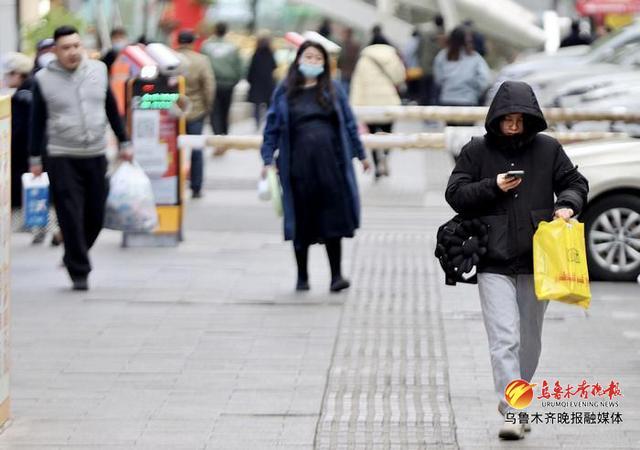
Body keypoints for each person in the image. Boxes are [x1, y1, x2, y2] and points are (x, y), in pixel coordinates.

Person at [445, 81, 589, 440]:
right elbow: (455, 193)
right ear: (495, 118)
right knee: (504, 338)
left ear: (530, 119)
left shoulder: (548, 149)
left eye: (519, 119)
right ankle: (513, 409)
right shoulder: (477, 150)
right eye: (506, 119)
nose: (512, 125)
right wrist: (492, 185)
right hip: (492, 259)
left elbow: (575, 182)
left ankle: (517, 395)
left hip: (536, 259)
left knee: (529, 340)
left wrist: (566, 205)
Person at [260, 41, 371, 292]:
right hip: (297, 166)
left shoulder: (334, 90)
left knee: (333, 218)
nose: (312, 62)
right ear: (298, 60)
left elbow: (350, 124)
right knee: (301, 219)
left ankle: (336, 276)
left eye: (317, 58)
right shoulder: (285, 91)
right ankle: (302, 277)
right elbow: (272, 127)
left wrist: (361, 155)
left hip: (331, 163)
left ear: (324, 64)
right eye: (308, 57)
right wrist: (267, 159)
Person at [29, 25, 133, 291]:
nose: (73, 52)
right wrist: (34, 158)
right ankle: (79, 270)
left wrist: (124, 140)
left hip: (96, 152)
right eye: (66, 47)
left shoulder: (99, 71)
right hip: (61, 155)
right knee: (70, 214)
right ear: (55, 51)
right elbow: (37, 121)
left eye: (76, 45)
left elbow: (111, 107)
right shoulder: (43, 80)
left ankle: (74, 251)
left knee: (96, 214)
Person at [350, 28, 405, 178]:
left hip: (369, 105)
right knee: (387, 134)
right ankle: (385, 157)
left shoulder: (364, 59)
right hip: (388, 102)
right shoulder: (392, 56)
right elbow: (400, 77)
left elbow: (357, 84)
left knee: (373, 136)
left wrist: (355, 107)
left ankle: (377, 165)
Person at [176, 29, 216, 198]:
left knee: (173, 148)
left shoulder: (170, 58)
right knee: (196, 149)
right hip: (196, 110)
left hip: (174, 111)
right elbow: (209, 86)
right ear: (193, 42)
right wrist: (208, 106)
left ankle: (174, 185)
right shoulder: (201, 61)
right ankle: (196, 186)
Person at [201, 22, 243, 140]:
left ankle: (217, 134)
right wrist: (236, 79)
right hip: (228, 83)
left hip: (212, 83)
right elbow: (239, 65)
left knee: (215, 111)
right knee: (226, 109)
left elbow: (203, 65)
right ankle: (224, 133)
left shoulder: (206, 46)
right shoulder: (233, 46)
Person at [3, 53, 33, 210]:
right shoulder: (32, 89)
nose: (5, 78)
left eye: (7, 74)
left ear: (18, 74)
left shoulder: (23, 97)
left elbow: (19, 133)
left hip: (23, 161)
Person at [433, 26, 491, 108]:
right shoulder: (474, 57)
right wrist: (475, 91)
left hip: (447, 99)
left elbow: (439, 79)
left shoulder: (442, 56)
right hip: (468, 99)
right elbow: (484, 79)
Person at [246, 36, 277, 130]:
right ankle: (268, 122)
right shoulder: (270, 54)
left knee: (256, 106)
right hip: (268, 84)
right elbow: (274, 67)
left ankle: (257, 123)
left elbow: (250, 70)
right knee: (269, 104)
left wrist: (250, 81)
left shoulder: (256, 54)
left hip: (256, 84)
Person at [336, 27, 360, 95]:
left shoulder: (343, 45)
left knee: (343, 91)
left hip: (344, 72)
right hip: (352, 72)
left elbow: (341, 58)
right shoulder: (356, 45)